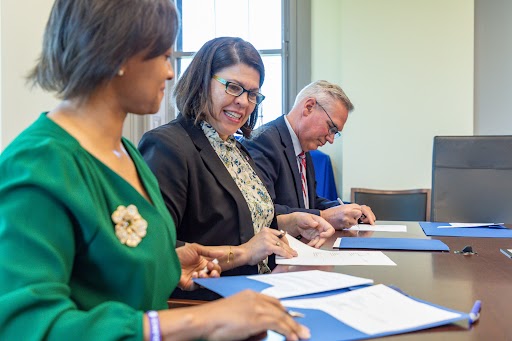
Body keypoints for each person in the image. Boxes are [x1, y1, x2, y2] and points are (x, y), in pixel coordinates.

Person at [0, 1, 310, 340]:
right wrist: (202, 320)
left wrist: (171, 264)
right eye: (163, 56)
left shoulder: (127, 154)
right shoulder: (39, 164)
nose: (170, 72)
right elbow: (23, 327)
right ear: (116, 54)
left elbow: (111, 269)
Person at [139, 37, 334, 300]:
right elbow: (155, 248)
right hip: (207, 303)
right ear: (201, 82)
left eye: (252, 94)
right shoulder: (168, 146)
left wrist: (289, 222)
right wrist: (239, 253)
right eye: (233, 87)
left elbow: (239, 219)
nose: (244, 102)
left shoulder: (235, 147)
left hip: (262, 288)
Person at [241, 80, 377, 230]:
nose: (331, 139)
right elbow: (263, 212)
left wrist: (350, 210)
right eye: (331, 128)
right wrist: (324, 217)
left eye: (335, 133)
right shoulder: (263, 141)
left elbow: (309, 204)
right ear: (309, 107)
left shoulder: (302, 148)